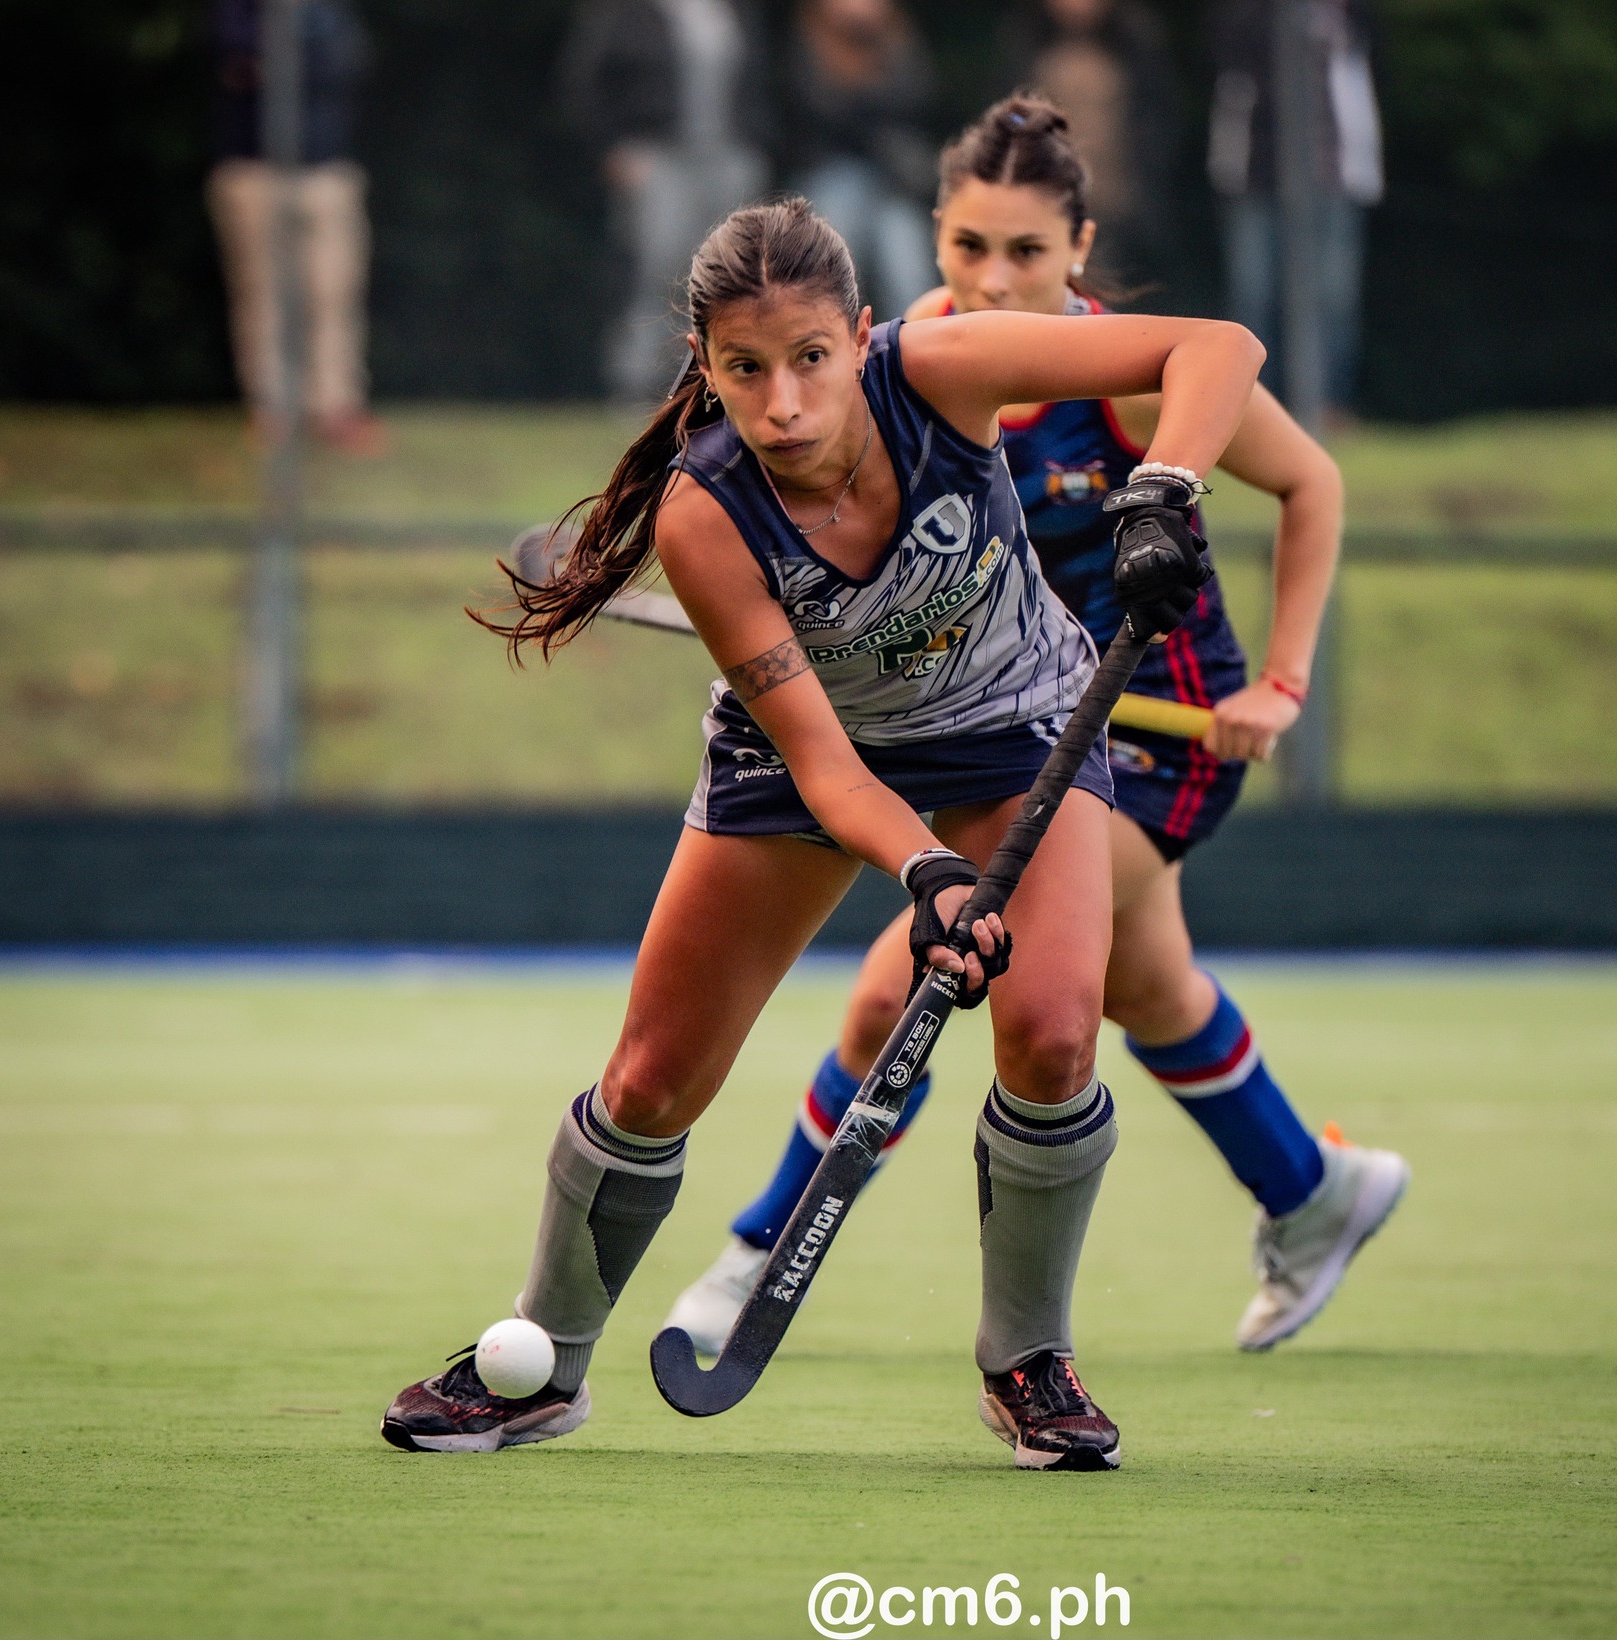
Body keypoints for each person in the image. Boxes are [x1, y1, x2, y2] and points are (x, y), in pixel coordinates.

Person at [380, 198, 1263, 1469]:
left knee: (1057, 1032)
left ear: (857, 335)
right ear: (704, 366)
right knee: (647, 1080)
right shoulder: (704, 516)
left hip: (1015, 729)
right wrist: (932, 876)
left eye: (807, 359)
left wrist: (1163, 491)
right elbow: (823, 762)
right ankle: (542, 1365)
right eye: (743, 370)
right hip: (804, 768)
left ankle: (1028, 1362)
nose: (782, 401)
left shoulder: (942, 369)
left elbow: (1217, 349)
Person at [664, 97, 1407, 1363]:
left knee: (915, 973)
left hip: (1148, 732)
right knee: (1144, 987)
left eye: (1024, 250)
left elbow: (1309, 482)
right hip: (1001, 730)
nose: (992, 277)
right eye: (966, 248)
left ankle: (752, 1251)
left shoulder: (1113, 377)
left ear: (1079, 244)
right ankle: (1312, 1189)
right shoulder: (901, 366)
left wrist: (1278, 684)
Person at [558, 0, 772, 404]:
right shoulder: (627, 12)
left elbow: (755, 86)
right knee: (657, 271)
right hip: (658, 160)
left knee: (729, 277)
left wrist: (754, 150)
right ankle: (636, 389)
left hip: (728, 161)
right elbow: (584, 84)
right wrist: (612, 148)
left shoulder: (734, 11)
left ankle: (712, 389)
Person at [206, 0, 383, 453]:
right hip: (253, 168)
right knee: (263, 294)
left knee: (333, 292)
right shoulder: (238, 9)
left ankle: (335, 407)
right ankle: (274, 410)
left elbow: (345, 62)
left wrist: (277, 64)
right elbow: (231, 57)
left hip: (325, 168)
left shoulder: (327, 9)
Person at [1209, 0, 1383, 418]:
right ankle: (1251, 411)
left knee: (1333, 297)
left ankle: (1329, 407)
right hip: (1256, 175)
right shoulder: (1247, 14)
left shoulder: (1349, 14)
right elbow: (1226, 61)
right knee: (1253, 297)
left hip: (1334, 176)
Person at [997, 0, 1179, 290]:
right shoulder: (1029, 48)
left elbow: (1156, 121)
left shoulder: (1134, 46)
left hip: (1118, 201)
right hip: (1049, 202)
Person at [784, 0, 937, 322]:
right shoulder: (807, 40)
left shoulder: (897, 42)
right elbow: (815, 113)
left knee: (907, 262)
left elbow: (918, 102)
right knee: (832, 258)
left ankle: (909, 357)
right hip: (829, 173)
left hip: (892, 183)